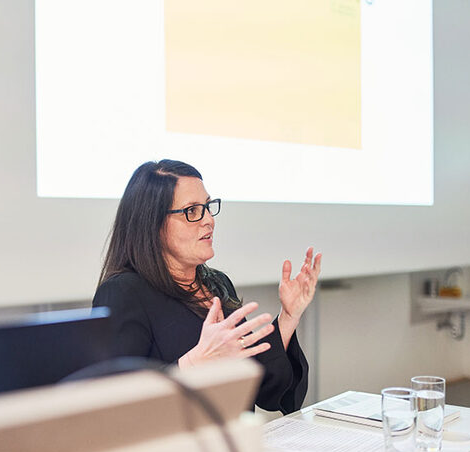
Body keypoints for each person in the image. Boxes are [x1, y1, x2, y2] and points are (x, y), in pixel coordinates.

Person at [92, 160, 322, 413]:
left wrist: (289, 316)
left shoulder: (218, 283)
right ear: (152, 223)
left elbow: (265, 391)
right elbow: (118, 402)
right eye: (192, 211)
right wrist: (194, 362)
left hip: (234, 443)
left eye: (208, 207)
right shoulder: (123, 293)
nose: (209, 220)